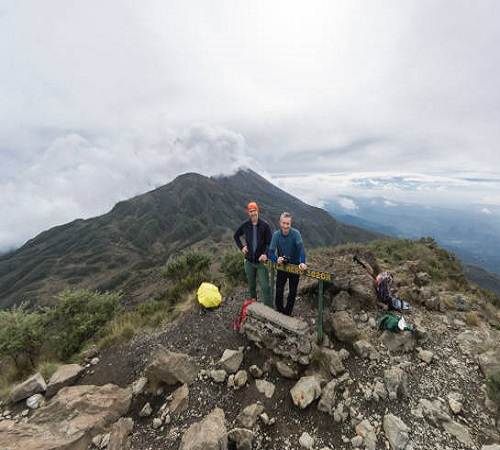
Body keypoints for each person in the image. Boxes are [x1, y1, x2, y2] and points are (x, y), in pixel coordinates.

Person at [233, 202, 273, 306]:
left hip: (261, 263)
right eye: (250, 211)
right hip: (249, 261)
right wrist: (242, 247)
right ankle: (253, 307)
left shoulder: (265, 225)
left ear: (257, 210)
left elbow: (270, 243)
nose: (252, 213)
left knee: (265, 287)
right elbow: (236, 236)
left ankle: (269, 309)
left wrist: (266, 254)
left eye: (254, 211)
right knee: (251, 287)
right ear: (248, 213)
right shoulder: (245, 225)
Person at [268, 212, 307, 315]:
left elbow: (301, 249)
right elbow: (270, 252)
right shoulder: (276, 235)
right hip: (282, 266)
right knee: (279, 290)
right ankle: (279, 310)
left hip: (295, 265)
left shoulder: (296, 233)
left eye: (288, 223)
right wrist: (276, 259)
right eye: (284, 223)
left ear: (290, 224)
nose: (285, 226)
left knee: (293, 292)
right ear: (280, 223)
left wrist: (302, 262)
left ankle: (288, 313)